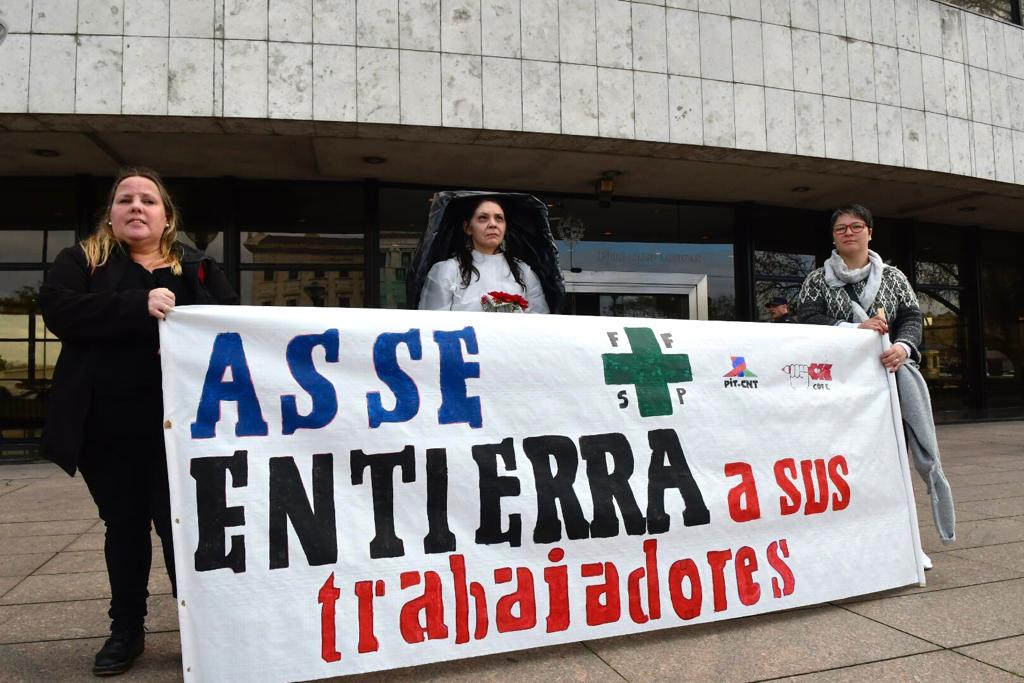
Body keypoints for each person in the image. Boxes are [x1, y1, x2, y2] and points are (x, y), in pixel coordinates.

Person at [39, 167, 237, 675]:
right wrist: (136, 304)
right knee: (124, 527)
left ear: (166, 216)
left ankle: (197, 630)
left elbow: (231, 328)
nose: (136, 207)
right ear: (110, 214)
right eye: (125, 199)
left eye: (147, 200)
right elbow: (59, 311)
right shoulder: (81, 261)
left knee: (180, 531)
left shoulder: (197, 268)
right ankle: (126, 629)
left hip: (181, 431)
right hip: (105, 427)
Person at [798, 204, 955, 571]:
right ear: (833, 237)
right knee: (846, 463)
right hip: (840, 385)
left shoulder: (894, 278)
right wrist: (854, 330)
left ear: (870, 232)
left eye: (856, 226)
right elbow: (807, 319)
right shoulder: (817, 280)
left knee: (895, 461)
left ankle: (908, 542)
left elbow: (912, 317)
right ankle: (849, 539)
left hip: (888, 381)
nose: (848, 233)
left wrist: (903, 347)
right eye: (841, 228)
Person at [417, 196, 552, 313]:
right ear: (468, 228)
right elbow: (432, 325)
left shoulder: (523, 272)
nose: (493, 224)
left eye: (499, 218)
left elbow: (540, 321)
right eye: (483, 218)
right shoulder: (447, 270)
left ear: (505, 228)